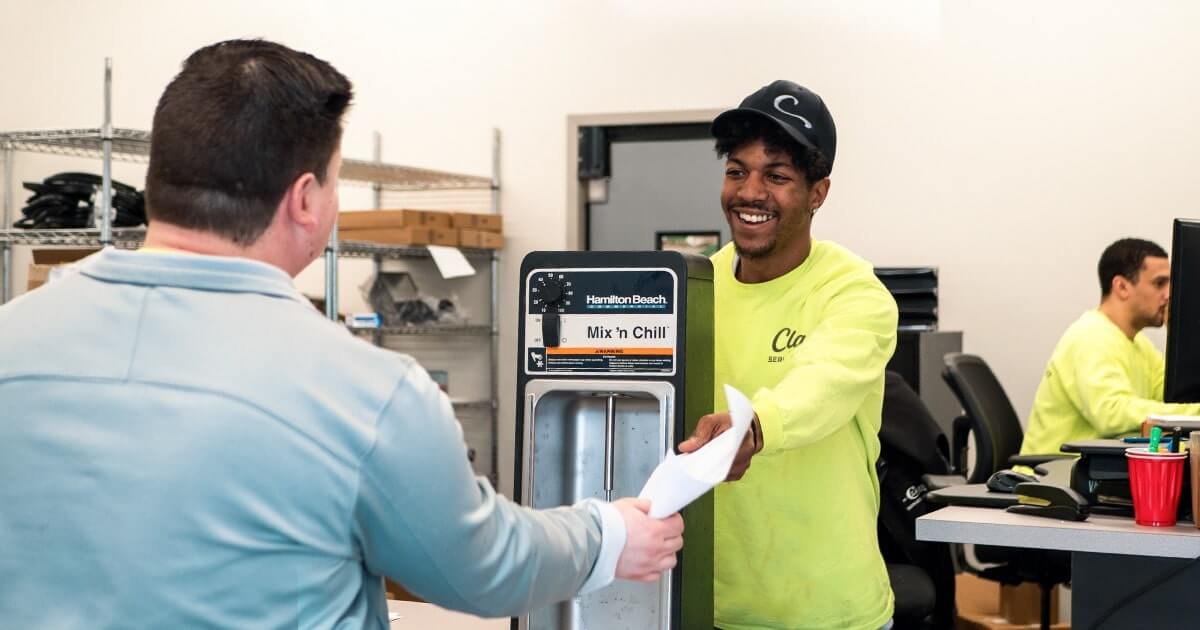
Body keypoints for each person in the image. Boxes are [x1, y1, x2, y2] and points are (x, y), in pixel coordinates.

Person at [0, 39, 683, 629]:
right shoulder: (366, 393)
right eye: (333, 183)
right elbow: (482, 568)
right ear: (303, 200)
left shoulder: (12, 340)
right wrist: (608, 534)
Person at [678, 80, 898, 629]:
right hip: (710, 607)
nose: (750, 192)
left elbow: (823, 382)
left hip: (828, 611)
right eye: (737, 170)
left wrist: (754, 427)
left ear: (818, 192)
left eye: (776, 175)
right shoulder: (695, 287)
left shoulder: (852, 291)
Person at [1019, 238, 1200, 457]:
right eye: (1159, 283)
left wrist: (1184, 333)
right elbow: (1112, 414)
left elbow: (1178, 398)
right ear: (1122, 287)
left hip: (1094, 474)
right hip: (1052, 478)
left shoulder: (1139, 344)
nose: (1169, 293)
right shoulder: (1091, 336)